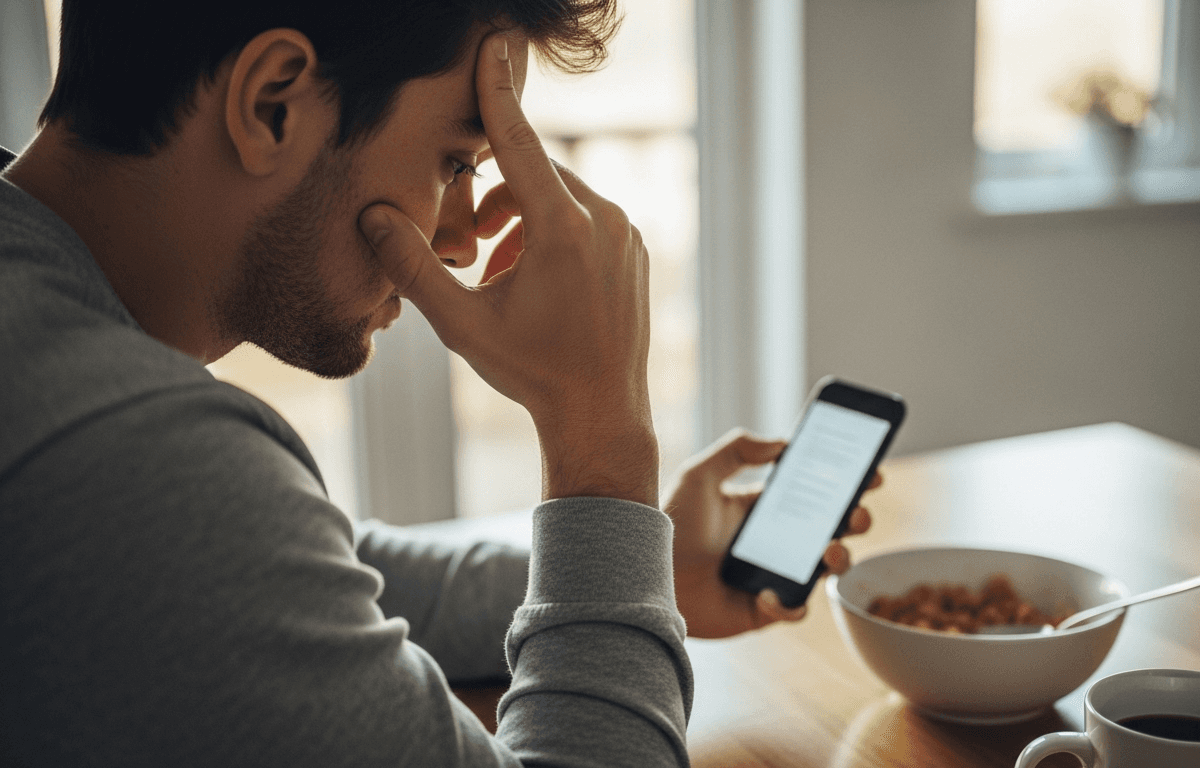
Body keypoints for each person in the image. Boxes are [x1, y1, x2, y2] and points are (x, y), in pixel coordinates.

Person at [0, 1, 876, 766]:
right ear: (273, 103)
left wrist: (643, 571)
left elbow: (306, 572)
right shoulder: (126, 453)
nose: (459, 238)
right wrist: (599, 438)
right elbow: (207, 531)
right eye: (456, 163)